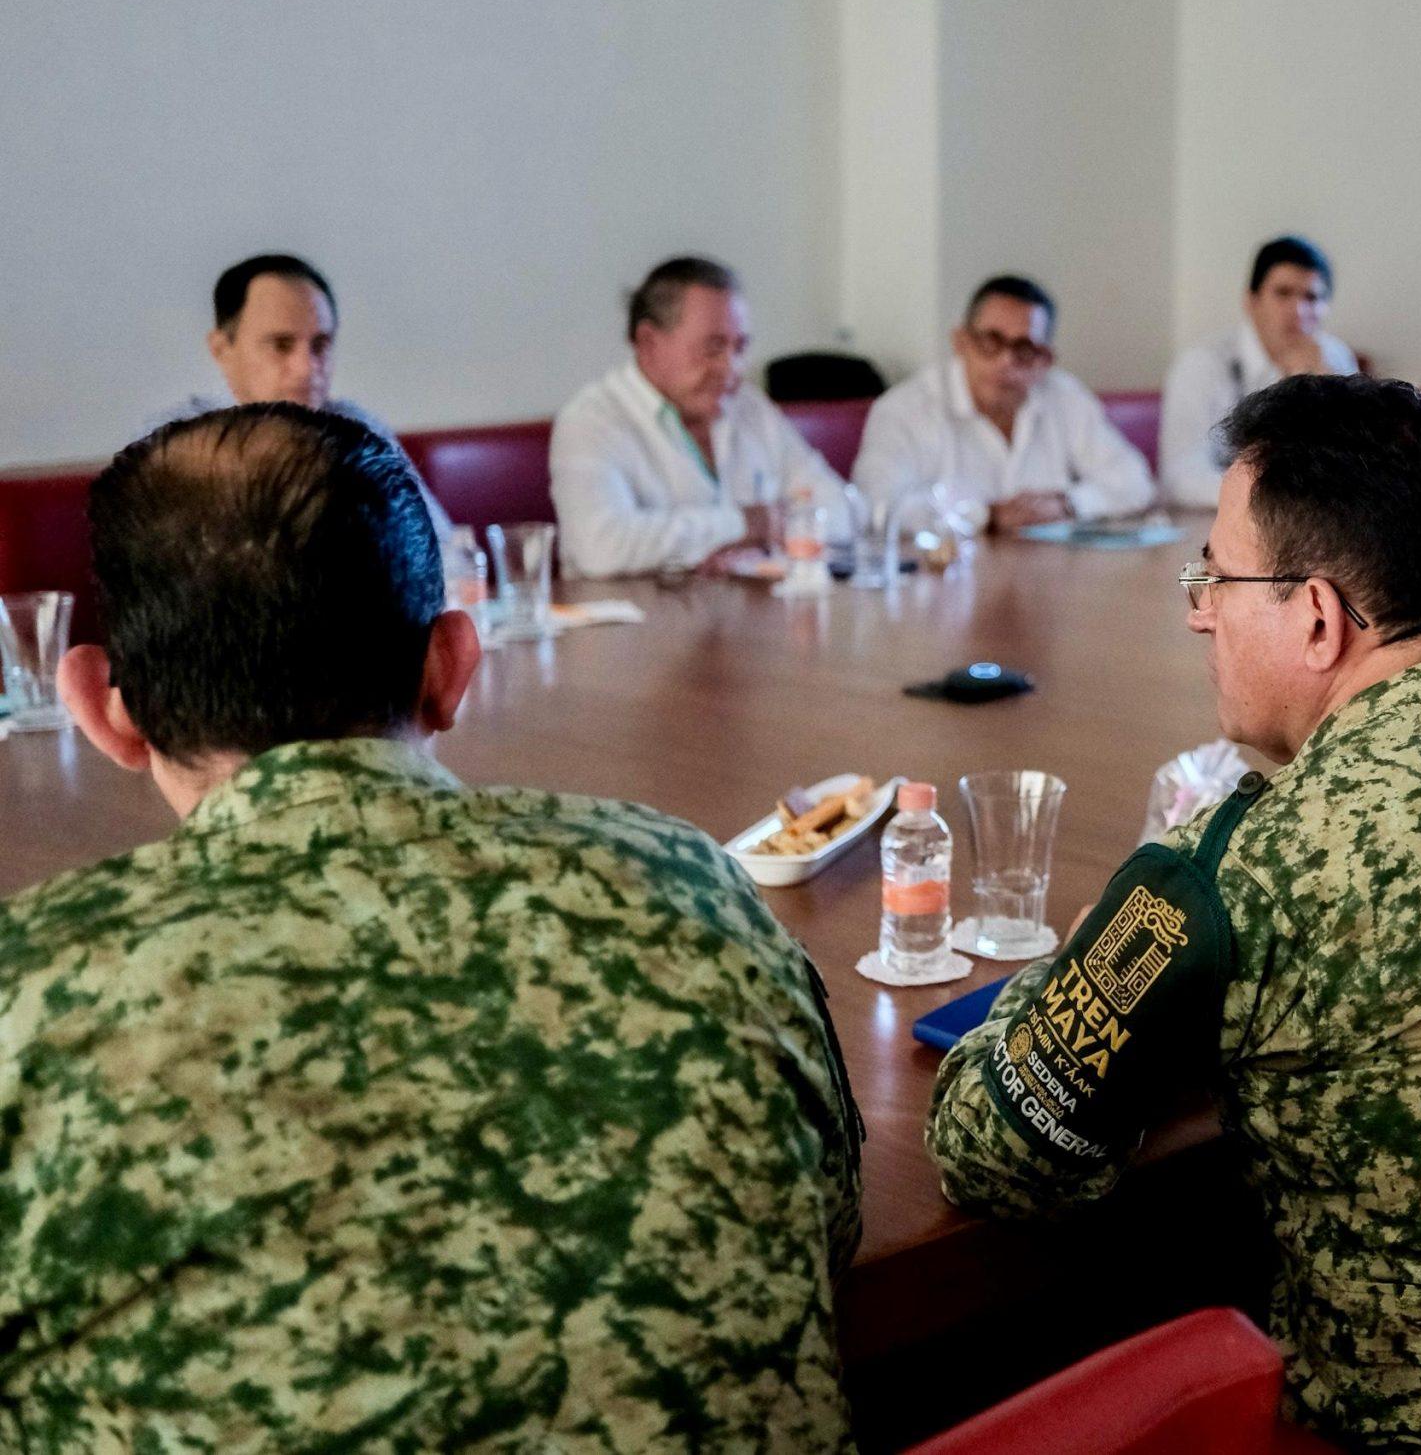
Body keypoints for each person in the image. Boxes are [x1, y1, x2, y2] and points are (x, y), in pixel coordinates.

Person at [2, 405, 861, 1446]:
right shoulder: (694, 881)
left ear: (101, 707)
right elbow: (828, 1224)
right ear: (453, 663)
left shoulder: (27, 1001)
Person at [925, 375, 1421, 1453]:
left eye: (1215, 576)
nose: (1195, 609)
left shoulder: (1242, 870)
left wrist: (1086, 955)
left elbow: (983, 1148)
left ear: (1316, 617)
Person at [549, 255, 842, 577]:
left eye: (740, 348)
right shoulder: (591, 421)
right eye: (713, 348)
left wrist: (752, 537)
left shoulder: (749, 407)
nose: (732, 368)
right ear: (649, 343)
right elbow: (600, 548)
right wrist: (743, 524)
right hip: (639, 623)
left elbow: (842, 511)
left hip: (748, 616)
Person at [151, 252, 451, 536]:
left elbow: (444, 552)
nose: (307, 369)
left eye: (320, 345)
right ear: (222, 349)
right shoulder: (173, 444)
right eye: (280, 345)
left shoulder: (358, 432)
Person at [853, 273, 1155, 533]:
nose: (1005, 361)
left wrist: (1068, 504)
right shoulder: (905, 409)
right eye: (991, 342)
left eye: (1024, 349)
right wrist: (987, 516)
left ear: (1045, 359)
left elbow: (1135, 481)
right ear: (961, 342)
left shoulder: (1064, 396)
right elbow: (876, 504)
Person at [1158, 236, 1360, 508]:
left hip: (1310, 528)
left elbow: (1357, 469)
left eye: (1312, 297)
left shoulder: (1334, 359)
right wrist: (1275, 499)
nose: (1299, 311)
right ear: (1251, 301)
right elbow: (1181, 478)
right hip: (1223, 520)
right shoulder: (1202, 365)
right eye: (1283, 293)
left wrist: (1318, 391)